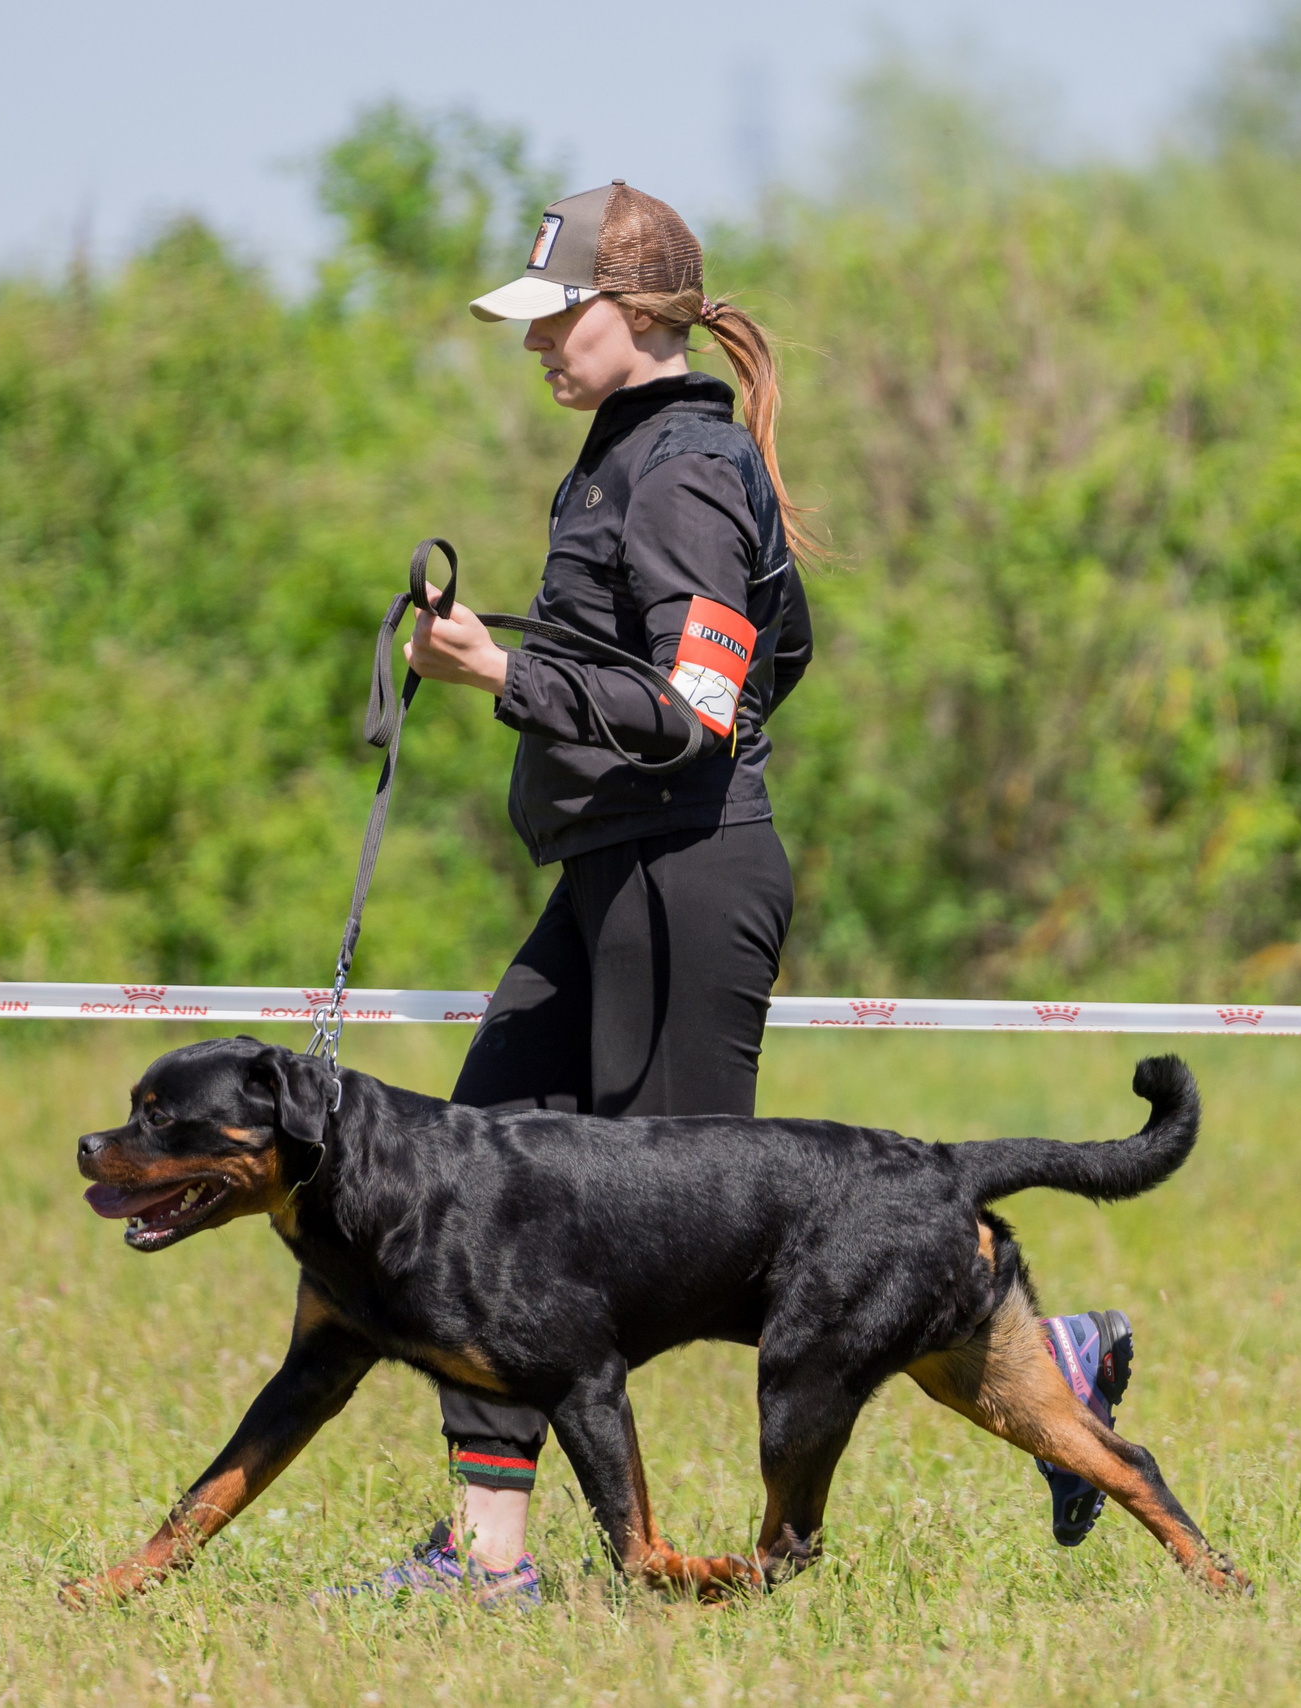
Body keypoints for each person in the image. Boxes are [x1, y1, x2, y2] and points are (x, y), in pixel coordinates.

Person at [326, 182, 1139, 1609]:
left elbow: (700, 707)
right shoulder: (625, 447)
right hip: (612, 879)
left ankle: (1050, 1363)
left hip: (682, 884)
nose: (534, 347)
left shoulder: (684, 466)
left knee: (721, 1254)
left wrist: (507, 677)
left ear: (634, 314)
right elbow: (780, 652)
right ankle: (487, 1559)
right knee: (480, 1195)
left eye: (554, 319)